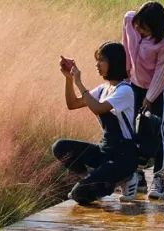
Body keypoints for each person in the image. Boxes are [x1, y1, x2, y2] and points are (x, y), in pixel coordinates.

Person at [52, 42, 140, 205]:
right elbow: (72, 104)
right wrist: (69, 79)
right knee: (60, 147)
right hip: (105, 151)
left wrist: (79, 83)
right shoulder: (103, 89)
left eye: (101, 60)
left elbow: (99, 108)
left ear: (113, 62)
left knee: (79, 196)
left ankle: (126, 177)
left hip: (124, 156)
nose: (97, 65)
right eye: (97, 60)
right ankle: (92, 179)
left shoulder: (125, 90)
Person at [122, 1, 164, 200]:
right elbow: (127, 46)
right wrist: (125, 73)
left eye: (145, 29)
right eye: (139, 26)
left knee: (159, 129)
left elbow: (161, 74)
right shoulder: (130, 20)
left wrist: (149, 97)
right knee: (131, 128)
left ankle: (159, 178)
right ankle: (138, 175)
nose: (140, 31)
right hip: (135, 83)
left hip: (159, 88)